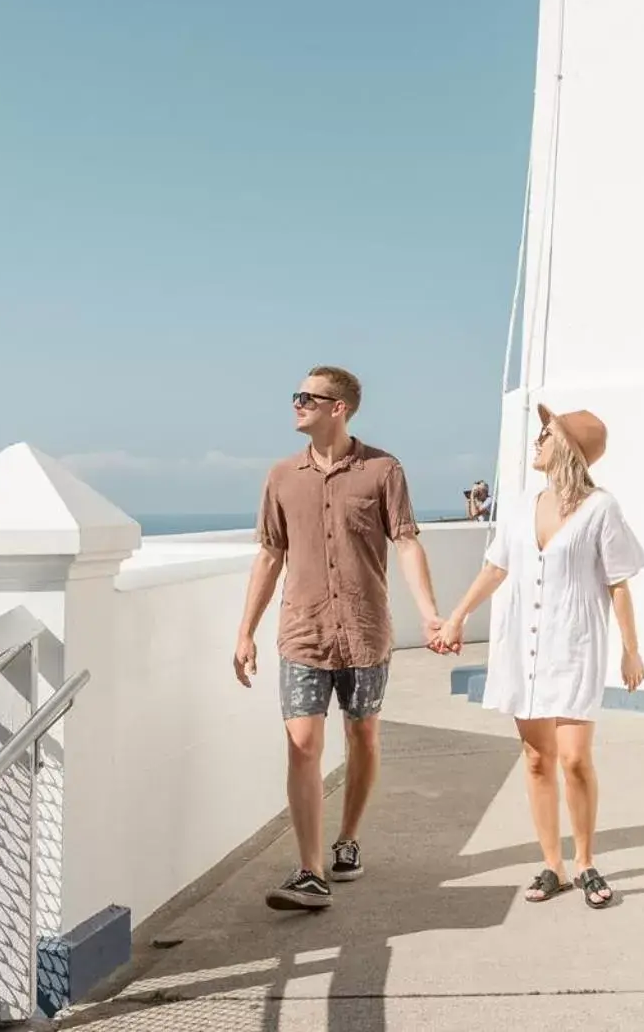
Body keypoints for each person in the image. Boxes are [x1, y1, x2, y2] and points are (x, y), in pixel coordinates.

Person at [233, 365, 444, 912]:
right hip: (302, 634)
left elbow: (407, 543)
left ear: (339, 408)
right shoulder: (280, 476)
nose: (297, 403)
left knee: (363, 738)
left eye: (309, 397)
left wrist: (430, 614)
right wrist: (245, 631)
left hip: (366, 633)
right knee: (302, 747)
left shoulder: (383, 470)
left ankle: (348, 837)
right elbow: (269, 555)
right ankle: (309, 871)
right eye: (296, 394)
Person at [433, 405, 644, 909]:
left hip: (574, 646)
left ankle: (586, 862)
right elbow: (495, 568)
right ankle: (553, 864)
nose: (537, 441)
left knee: (574, 760)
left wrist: (632, 651)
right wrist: (457, 616)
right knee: (536, 760)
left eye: (546, 434)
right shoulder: (523, 503)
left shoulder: (602, 508)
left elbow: (619, 583)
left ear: (568, 447)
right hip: (522, 646)